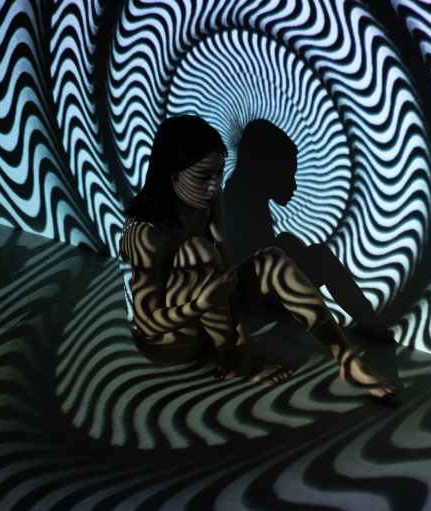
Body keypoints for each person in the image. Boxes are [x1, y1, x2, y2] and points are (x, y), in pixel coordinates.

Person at [119, 115, 398, 401]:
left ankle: (348, 362)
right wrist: (203, 304)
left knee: (273, 258)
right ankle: (236, 361)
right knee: (198, 251)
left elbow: (224, 270)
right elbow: (147, 324)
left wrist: (238, 333)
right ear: (172, 175)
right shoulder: (144, 232)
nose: (215, 186)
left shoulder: (208, 202)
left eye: (218, 174)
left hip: (207, 322)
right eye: (203, 177)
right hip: (168, 343)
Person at [224, 119, 394, 342]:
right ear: (267, 168)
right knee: (319, 257)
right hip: (245, 308)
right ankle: (371, 327)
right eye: (288, 174)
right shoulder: (239, 205)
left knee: (288, 242)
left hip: (250, 300)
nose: (294, 185)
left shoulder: (239, 196)